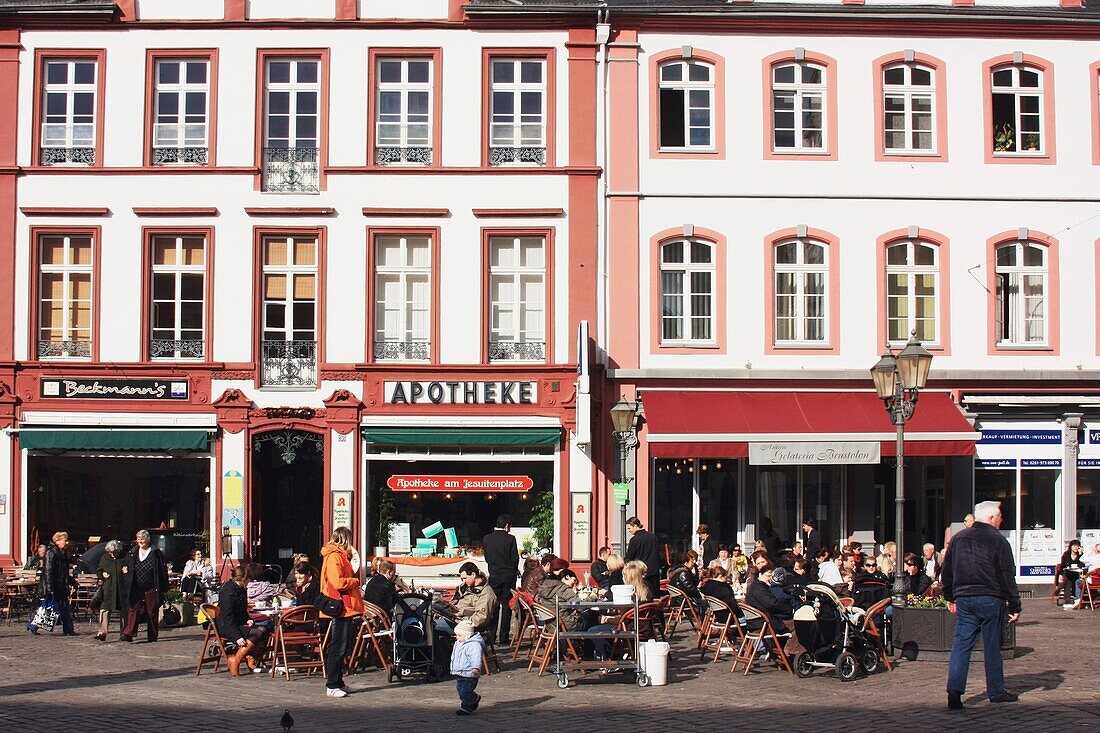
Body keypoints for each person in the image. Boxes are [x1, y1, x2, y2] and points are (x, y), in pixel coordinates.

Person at [942, 500, 1022, 709]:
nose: (1001, 520)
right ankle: (996, 691)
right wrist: (1014, 605)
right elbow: (1006, 574)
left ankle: (954, 689)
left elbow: (947, 571)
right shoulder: (998, 540)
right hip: (990, 597)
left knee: (962, 644)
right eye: (999, 517)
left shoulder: (959, 538)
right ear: (990, 518)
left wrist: (950, 596)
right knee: (992, 646)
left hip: (965, 598)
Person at [320, 526, 365, 698]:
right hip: (339, 607)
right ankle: (331, 685)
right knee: (338, 646)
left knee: (343, 645)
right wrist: (354, 581)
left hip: (346, 607)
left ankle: (338, 682)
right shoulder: (334, 557)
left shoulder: (340, 556)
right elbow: (337, 582)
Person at [217, 566, 271, 676]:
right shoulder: (228, 592)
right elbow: (228, 617)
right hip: (227, 626)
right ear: (242, 579)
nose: (250, 582)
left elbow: (242, 609)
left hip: (238, 623)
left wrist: (248, 619)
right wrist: (237, 637)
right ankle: (236, 660)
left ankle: (250, 656)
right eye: (248, 579)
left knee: (265, 629)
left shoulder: (242, 589)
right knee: (257, 633)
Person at [120, 529, 169, 643]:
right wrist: (125, 568)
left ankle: (152, 635)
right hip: (136, 585)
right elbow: (125, 563)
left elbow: (162, 570)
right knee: (134, 609)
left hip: (151, 585)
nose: (140, 541)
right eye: (138, 539)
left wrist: (164, 587)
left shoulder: (155, 553)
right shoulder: (133, 552)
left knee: (152, 610)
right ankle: (129, 633)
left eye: (142, 539)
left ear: (147, 539)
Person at [482, 514, 519, 646]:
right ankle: (504, 636)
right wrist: (513, 569)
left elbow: (487, 558)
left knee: (493, 606)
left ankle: (491, 636)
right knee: (507, 606)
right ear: (506, 526)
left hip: (494, 576)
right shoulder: (510, 539)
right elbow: (515, 559)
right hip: (509, 576)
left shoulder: (487, 539)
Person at [29, 531, 76, 636]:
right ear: (57, 541)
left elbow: (63, 572)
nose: (66, 542)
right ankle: (33, 625)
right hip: (54, 585)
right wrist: (50, 588)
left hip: (61, 585)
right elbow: (48, 572)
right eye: (64, 540)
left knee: (63, 608)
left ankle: (68, 629)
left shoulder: (62, 553)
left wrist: (72, 581)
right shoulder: (51, 553)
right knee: (49, 608)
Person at [95, 540, 128, 641]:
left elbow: (130, 569)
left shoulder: (124, 557)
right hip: (108, 588)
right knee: (104, 609)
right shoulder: (104, 558)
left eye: (114, 552)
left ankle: (125, 633)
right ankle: (102, 632)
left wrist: (126, 570)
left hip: (122, 588)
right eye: (110, 552)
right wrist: (102, 574)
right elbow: (99, 570)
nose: (112, 554)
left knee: (124, 610)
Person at [453, 562, 498, 634]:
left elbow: (481, 617)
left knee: (436, 628)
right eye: (462, 579)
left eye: (465, 578)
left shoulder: (486, 592)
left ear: (473, 575)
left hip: (465, 625)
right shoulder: (464, 587)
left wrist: (461, 621)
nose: (463, 581)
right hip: (455, 619)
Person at [450, 620, 484, 716]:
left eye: (459, 635)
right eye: (456, 635)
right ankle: (473, 699)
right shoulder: (459, 643)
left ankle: (466, 707)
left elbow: (476, 657)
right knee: (460, 689)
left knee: (465, 690)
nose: (457, 638)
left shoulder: (474, 645)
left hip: (470, 673)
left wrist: (476, 667)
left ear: (467, 635)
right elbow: (455, 656)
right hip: (460, 671)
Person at [624, 517, 661, 598]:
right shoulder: (653, 537)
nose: (629, 530)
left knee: (643, 596)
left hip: (640, 572)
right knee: (655, 596)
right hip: (654, 571)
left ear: (635, 526)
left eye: (629, 528)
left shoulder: (634, 540)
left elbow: (629, 557)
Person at [667, 552, 706, 617]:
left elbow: (691, 583)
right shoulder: (684, 573)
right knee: (706, 603)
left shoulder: (679, 571)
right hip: (683, 600)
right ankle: (704, 624)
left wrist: (699, 579)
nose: (693, 563)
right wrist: (700, 592)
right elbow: (691, 589)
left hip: (677, 599)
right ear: (686, 563)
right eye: (691, 561)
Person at [1058, 540, 1087, 608]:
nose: (1075, 547)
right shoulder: (1066, 555)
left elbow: (1082, 565)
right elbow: (1063, 566)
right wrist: (1060, 575)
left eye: (1077, 546)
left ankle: (1073, 599)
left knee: (1072, 579)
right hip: (1068, 573)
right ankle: (1067, 599)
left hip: (1077, 574)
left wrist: (1080, 554)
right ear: (1070, 546)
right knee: (1068, 578)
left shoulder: (1081, 555)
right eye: (1074, 546)